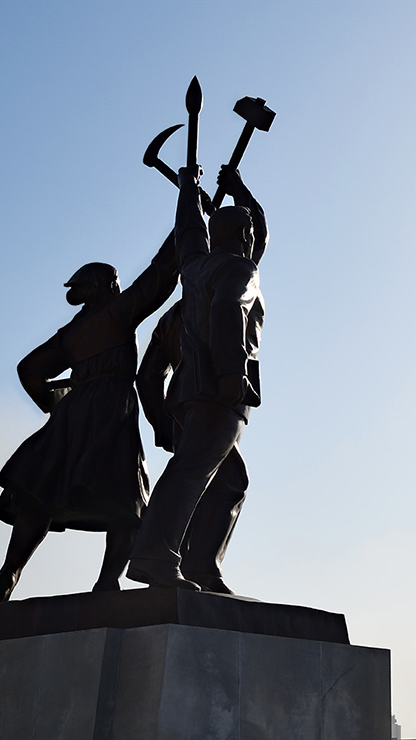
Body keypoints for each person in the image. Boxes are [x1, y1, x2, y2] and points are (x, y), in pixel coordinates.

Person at [0, 232, 178, 606]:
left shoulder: (71, 333)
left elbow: (29, 370)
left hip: (71, 415)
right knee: (127, 502)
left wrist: (57, 402)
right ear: (106, 286)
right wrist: (186, 221)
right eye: (115, 283)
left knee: (40, 495)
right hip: (110, 412)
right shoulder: (118, 313)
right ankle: (107, 583)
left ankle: (8, 575)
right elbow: (162, 272)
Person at [126, 162, 265, 591]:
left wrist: (188, 187)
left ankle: (202, 564)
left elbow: (187, 227)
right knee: (191, 470)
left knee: (229, 481)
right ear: (244, 239)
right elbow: (228, 309)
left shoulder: (194, 267)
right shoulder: (240, 271)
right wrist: (231, 372)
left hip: (187, 394)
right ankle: (155, 556)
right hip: (220, 388)